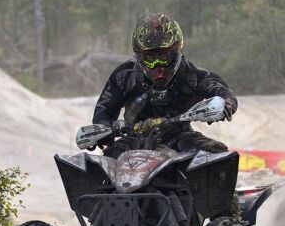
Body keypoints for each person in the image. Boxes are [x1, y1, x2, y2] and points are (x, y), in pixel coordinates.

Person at [92, 13, 237, 158]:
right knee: (104, 163)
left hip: (180, 137)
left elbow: (225, 93)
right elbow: (103, 109)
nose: (157, 66)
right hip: (134, 140)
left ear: (176, 52)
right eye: (150, 58)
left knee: (217, 153)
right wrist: (104, 130)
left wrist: (225, 105)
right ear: (140, 56)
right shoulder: (125, 75)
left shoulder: (192, 75)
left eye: (163, 57)